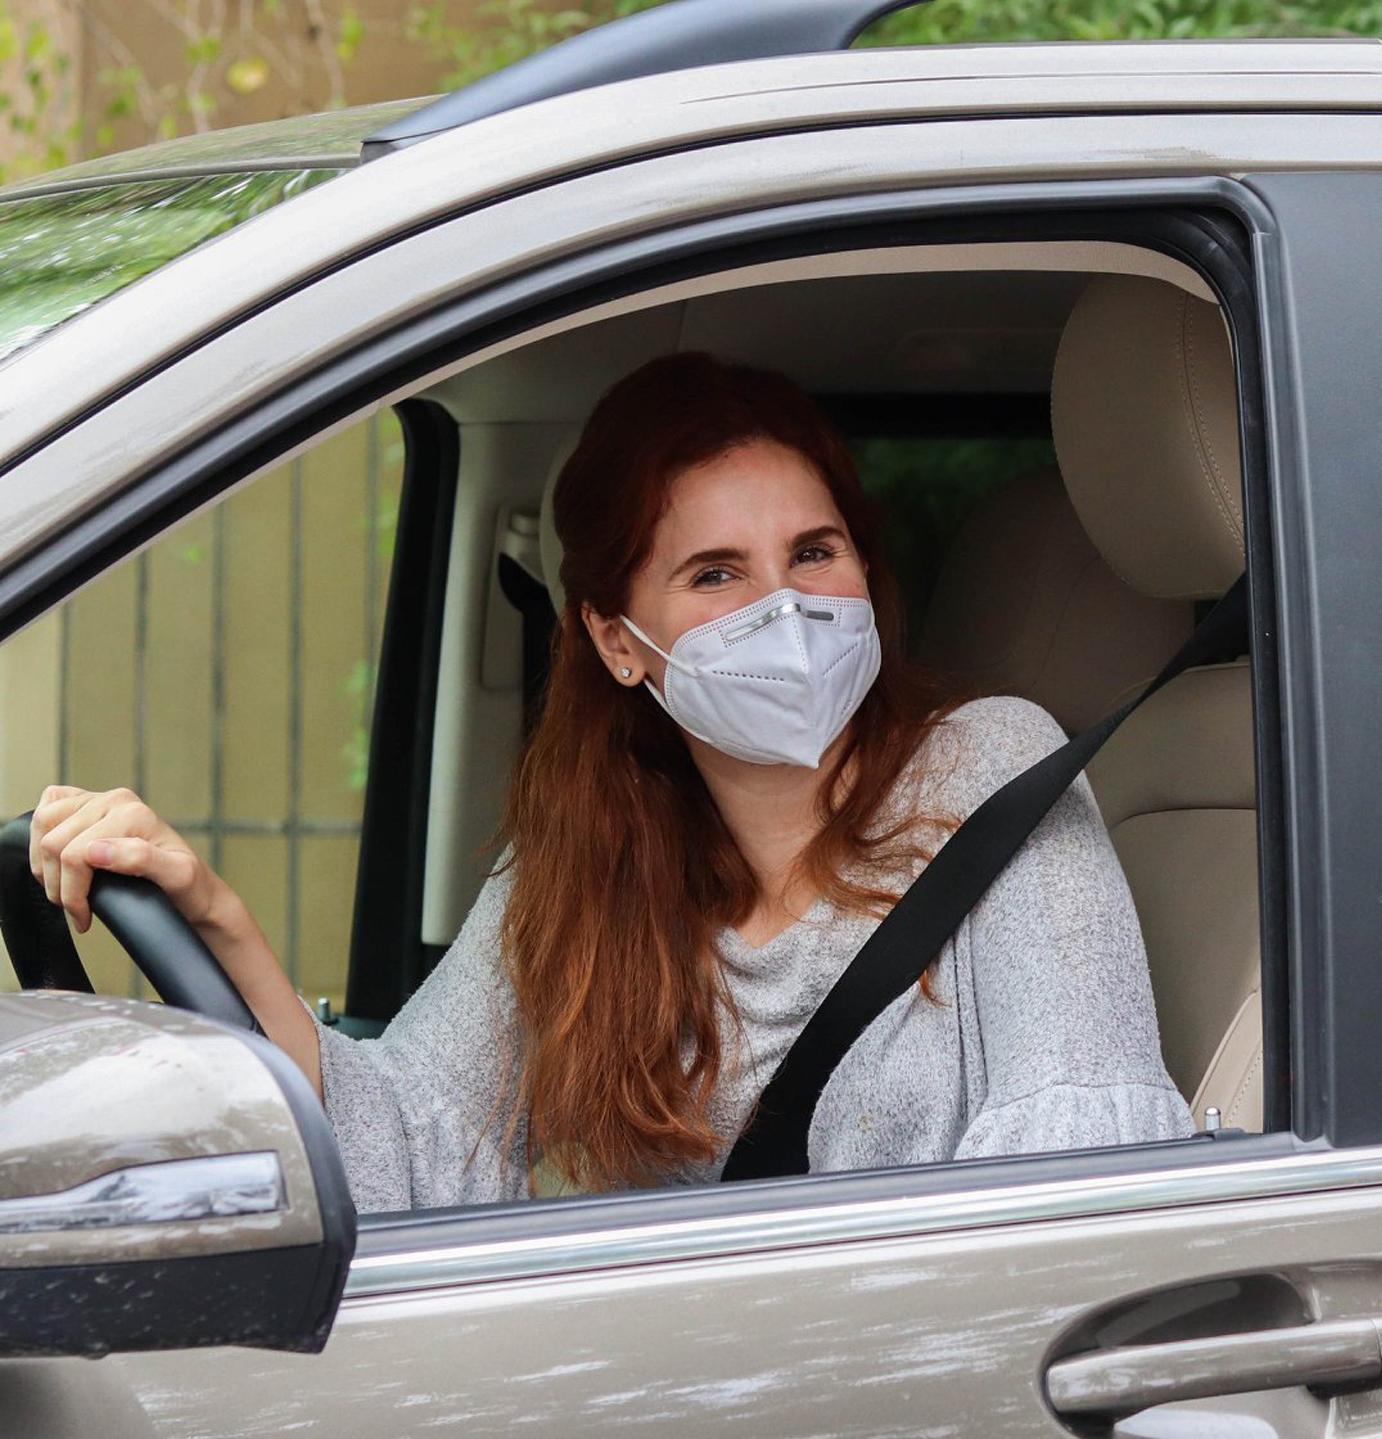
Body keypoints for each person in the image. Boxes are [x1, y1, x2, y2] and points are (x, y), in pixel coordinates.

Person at [26, 352, 1193, 1211]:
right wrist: (218, 919)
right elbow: (417, 1148)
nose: (784, 608)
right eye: (715, 573)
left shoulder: (991, 768)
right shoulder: (584, 860)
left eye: (813, 552)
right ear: (619, 641)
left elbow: (1082, 1174)